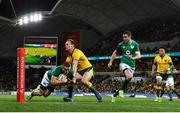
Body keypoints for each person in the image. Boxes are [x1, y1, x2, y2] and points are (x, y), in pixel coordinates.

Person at [108, 31, 141, 102]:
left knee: (128, 79)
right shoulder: (120, 44)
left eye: (125, 37)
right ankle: (121, 91)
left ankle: (115, 94)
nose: (124, 38)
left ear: (129, 36)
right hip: (123, 63)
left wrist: (133, 58)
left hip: (132, 65)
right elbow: (115, 53)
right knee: (129, 76)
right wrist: (110, 62)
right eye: (123, 37)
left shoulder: (134, 44)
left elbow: (139, 56)